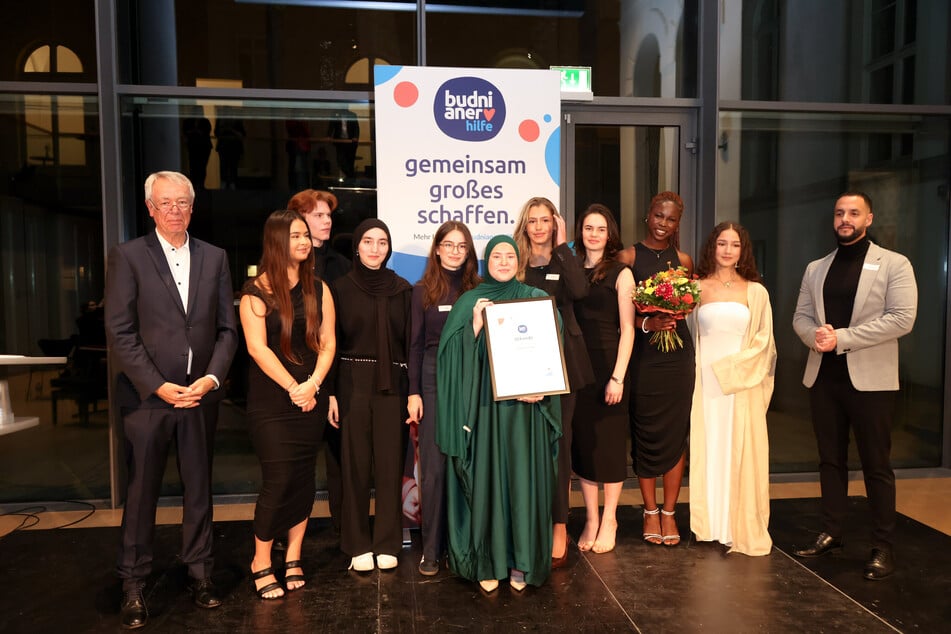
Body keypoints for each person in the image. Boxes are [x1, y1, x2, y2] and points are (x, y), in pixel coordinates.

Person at [104, 171, 237, 629]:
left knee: (199, 490)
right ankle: (134, 582)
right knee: (141, 495)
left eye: (183, 202)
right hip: (148, 400)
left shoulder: (215, 258)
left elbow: (227, 329)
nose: (175, 210)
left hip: (199, 397)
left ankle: (200, 573)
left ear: (192, 207)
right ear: (150, 208)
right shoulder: (128, 257)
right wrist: (158, 385)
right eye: (166, 203)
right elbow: (120, 331)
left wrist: (211, 379)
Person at [792, 192, 917, 580]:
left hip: (872, 382)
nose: (845, 219)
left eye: (853, 213)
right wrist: (815, 336)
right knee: (830, 461)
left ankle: (883, 546)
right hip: (824, 378)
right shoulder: (817, 268)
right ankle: (832, 532)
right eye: (839, 213)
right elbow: (801, 316)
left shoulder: (894, 263)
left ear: (869, 218)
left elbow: (902, 319)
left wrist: (841, 338)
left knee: (876, 465)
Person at [437, 235, 562, 593]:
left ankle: (521, 561)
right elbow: (449, 358)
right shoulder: (470, 302)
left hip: (527, 414)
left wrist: (542, 384)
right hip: (485, 414)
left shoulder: (535, 299)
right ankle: (487, 562)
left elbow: (555, 347)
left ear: (518, 261)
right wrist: (475, 326)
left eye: (510, 255)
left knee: (522, 482)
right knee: (488, 482)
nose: (504, 261)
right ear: (486, 261)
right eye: (497, 255)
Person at [239, 210, 336, 599]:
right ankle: (261, 559)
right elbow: (256, 348)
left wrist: (313, 385)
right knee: (278, 482)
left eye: (306, 235)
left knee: (303, 480)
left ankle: (293, 554)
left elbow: (328, 342)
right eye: (296, 235)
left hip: (311, 395)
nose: (304, 241)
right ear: (277, 241)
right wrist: (295, 387)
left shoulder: (319, 288)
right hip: (273, 402)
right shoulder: (255, 291)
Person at [328, 219, 412, 572]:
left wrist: (414, 392)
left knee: (391, 465)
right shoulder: (338, 288)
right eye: (368, 241)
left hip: (394, 382)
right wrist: (330, 392)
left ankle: (388, 542)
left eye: (382, 242)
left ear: (388, 248)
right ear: (357, 247)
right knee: (355, 466)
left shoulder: (403, 289)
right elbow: (327, 343)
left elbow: (411, 345)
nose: (375, 248)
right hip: (351, 381)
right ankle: (358, 544)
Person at [514, 197, 594, 567]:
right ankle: (528, 525)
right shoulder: (514, 261)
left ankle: (559, 526)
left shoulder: (565, 258)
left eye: (546, 220)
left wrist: (564, 245)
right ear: (525, 225)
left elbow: (579, 292)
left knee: (559, 449)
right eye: (533, 221)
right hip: (522, 367)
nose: (539, 227)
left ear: (555, 224)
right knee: (526, 449)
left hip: (564, 366)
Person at [688, 222, 776, 556]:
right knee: (709, 449)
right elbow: (687, 337)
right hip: (704, 385)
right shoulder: (695, 288)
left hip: (740, 384)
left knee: (740, 452)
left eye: (735, 245)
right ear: (712, 248)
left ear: (743, 251)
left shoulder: (756, 292)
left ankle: (737, 525)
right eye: (721, 243)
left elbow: (765, 343)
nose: (727, 250)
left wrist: (730, 371)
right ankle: (709, 524)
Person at [406, 221, 481, 576]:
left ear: (469, 252)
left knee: (468, 464)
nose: (454, 251)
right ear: (436, 249)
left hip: (470, 383)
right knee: (434, 470)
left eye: (461, 246)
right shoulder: (421, 292)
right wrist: (414, 392)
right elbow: (416, 347)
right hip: (433, 382)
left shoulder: (479, 291)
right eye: (448, 244)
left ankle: (464, 544)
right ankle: (432, 550)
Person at [620, 191, 694, 547]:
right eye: (659, 216)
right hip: (645, 357)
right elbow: (618, 315)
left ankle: (669, 512)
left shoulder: (684, 260)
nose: (664, 224)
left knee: (676, 433)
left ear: (677, 223)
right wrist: (649, 324)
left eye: (671, 219)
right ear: (647, 216)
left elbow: (689, 304)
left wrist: (677, 312)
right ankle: (649, 510)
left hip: (678, 358)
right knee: (647, 431)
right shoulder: (629, 256)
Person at [570, 205, 635, 555]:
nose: (593, 234)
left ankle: (610, 518)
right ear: (581, 232)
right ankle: (592, 519)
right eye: (587, 228)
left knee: (608, 447)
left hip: (610, 368)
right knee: (584, 446)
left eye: (600, 228)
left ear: (609, 234)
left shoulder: (622, 273)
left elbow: (628, 330)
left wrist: (618, 377)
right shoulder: (572, 271)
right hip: (578, 370)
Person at [287, 188, 351, 532]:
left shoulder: (342, 267)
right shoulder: (282, 268)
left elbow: (343, 332)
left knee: (340, 461)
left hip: (333, 375)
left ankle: (345, 534)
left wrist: (333, 387)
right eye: (318, 216)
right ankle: (287, 532)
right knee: (294, 463)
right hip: (292, 379)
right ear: (298, 220)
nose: (327, 221)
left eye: (329, 216)